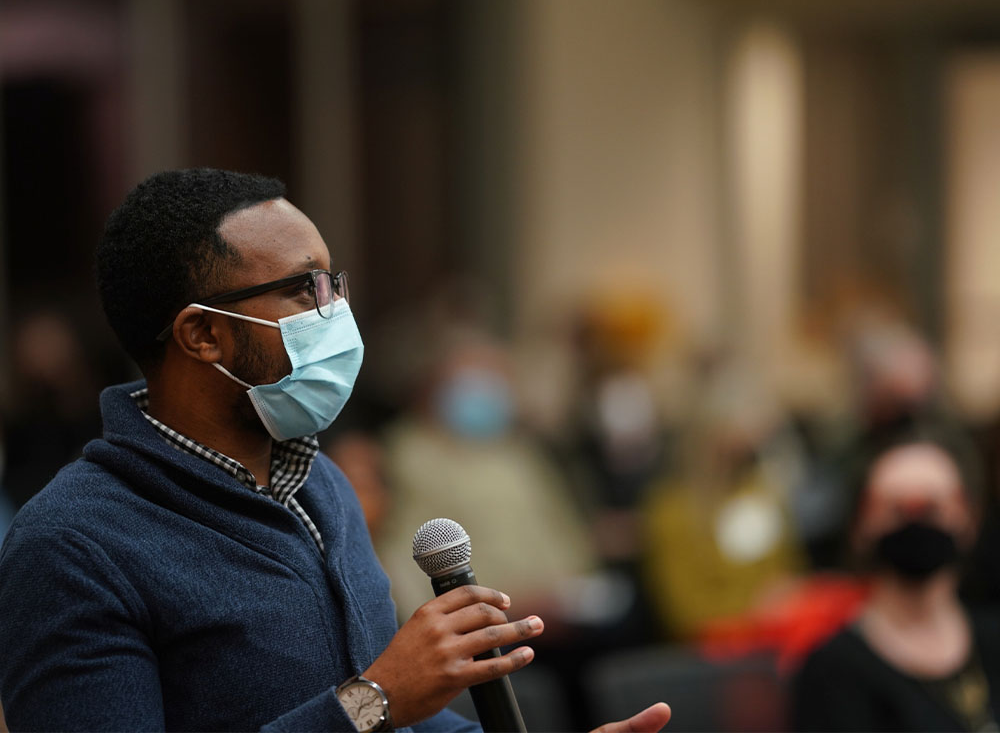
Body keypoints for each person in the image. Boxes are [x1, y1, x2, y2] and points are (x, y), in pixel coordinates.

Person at [0, 168, 670, 733]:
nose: (335, 312)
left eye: (333, 283)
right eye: (303, 289)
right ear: (202, 334)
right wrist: (369, 702)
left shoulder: (321, 486)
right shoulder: (71, 546)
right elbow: (378, 704)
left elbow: (401, 716)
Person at [792, 421, 1000, 732]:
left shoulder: (993, 641)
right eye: (896, 509)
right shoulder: (833, 670)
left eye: (931, 508)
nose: (915, 524)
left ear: (968, 517)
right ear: (862, 523)